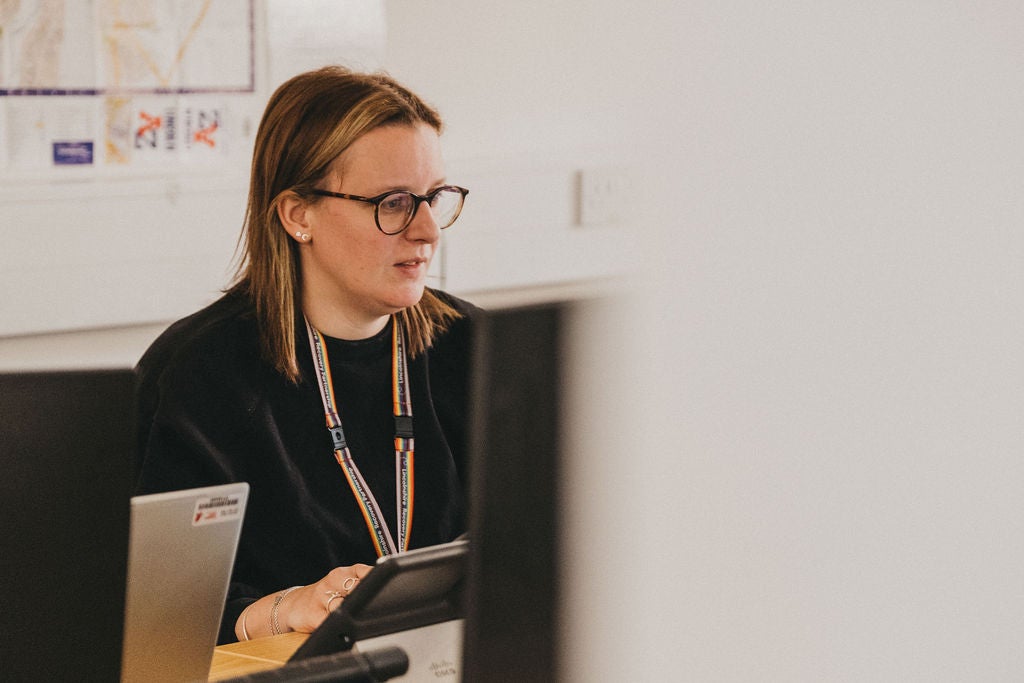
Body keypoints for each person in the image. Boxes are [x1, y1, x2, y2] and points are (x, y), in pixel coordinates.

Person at [133, 66, 477, 644]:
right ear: (298, 215)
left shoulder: (475, 346)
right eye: (393, 202)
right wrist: (285, 608)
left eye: (435, 198)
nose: (426, 230)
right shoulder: (198, 374)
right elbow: (155, 615)